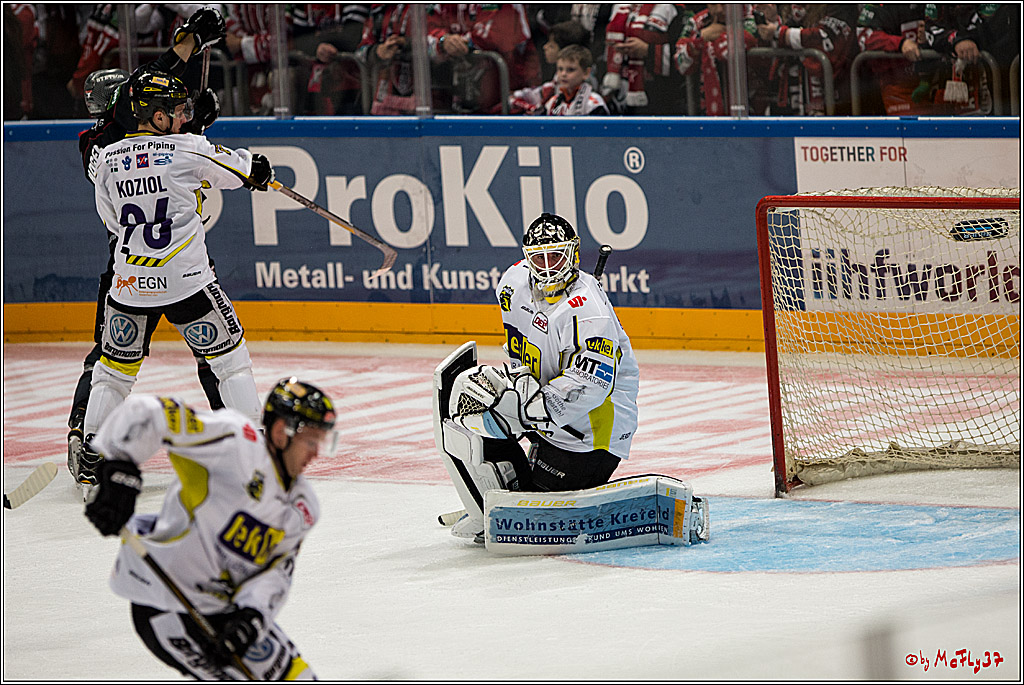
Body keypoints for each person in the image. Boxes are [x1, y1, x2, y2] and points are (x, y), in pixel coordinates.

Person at [77, 67, 275, 494]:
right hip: (186, 282)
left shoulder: (108, 159)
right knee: (230, 362)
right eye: (175, 110)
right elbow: (241, 170)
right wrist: (256, 170)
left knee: (113, 372)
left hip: (128, 284)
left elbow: (110, 220)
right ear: (155, 113)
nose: (183, 116)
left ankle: (93, 449)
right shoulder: (188, 148)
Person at [68, 8, 227, 492]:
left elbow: (166, 140)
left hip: (132, 264)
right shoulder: (99, 139)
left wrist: (192, 119)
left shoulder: (133, 137)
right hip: (167, 264)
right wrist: (186, 46)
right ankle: (84, 432)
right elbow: (142, 102)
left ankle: (87, 434)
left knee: (116, 358)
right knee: (206, 354)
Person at [83, 379, 337, 680]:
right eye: (311, 441)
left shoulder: (303, 507)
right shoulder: (234, 443)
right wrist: (120, 468)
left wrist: (251, 617)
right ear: (282, 433)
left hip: (227, 611)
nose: (316, 453)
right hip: (166, 602)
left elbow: (278, 570)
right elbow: (152, 412)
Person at [443, 213, 640, 539]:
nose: (548, 266)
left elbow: (590, 387)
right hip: (546, 413)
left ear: (573, 253)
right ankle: (489, 503)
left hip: (591, 433)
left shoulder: (590, 313)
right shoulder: (512, 284)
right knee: (473, 403)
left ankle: (521, 499)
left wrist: (524, 410)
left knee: (536, 519)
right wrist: (515, 383)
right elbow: (518, 344)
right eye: (539, 257)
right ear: (526, 258)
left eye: (556, 256)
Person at [508, 19, 592, 115]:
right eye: (560, 69)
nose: (545, 47)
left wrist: (534, 110)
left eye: (551, 46)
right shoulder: (557, 81)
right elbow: (542, 94)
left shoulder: (588, 96)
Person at [541, 45, 610, 115]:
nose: (563, 74)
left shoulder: (594, 104)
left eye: (570, 70)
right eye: (560, 69)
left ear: (586, 73)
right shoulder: (552, 103)